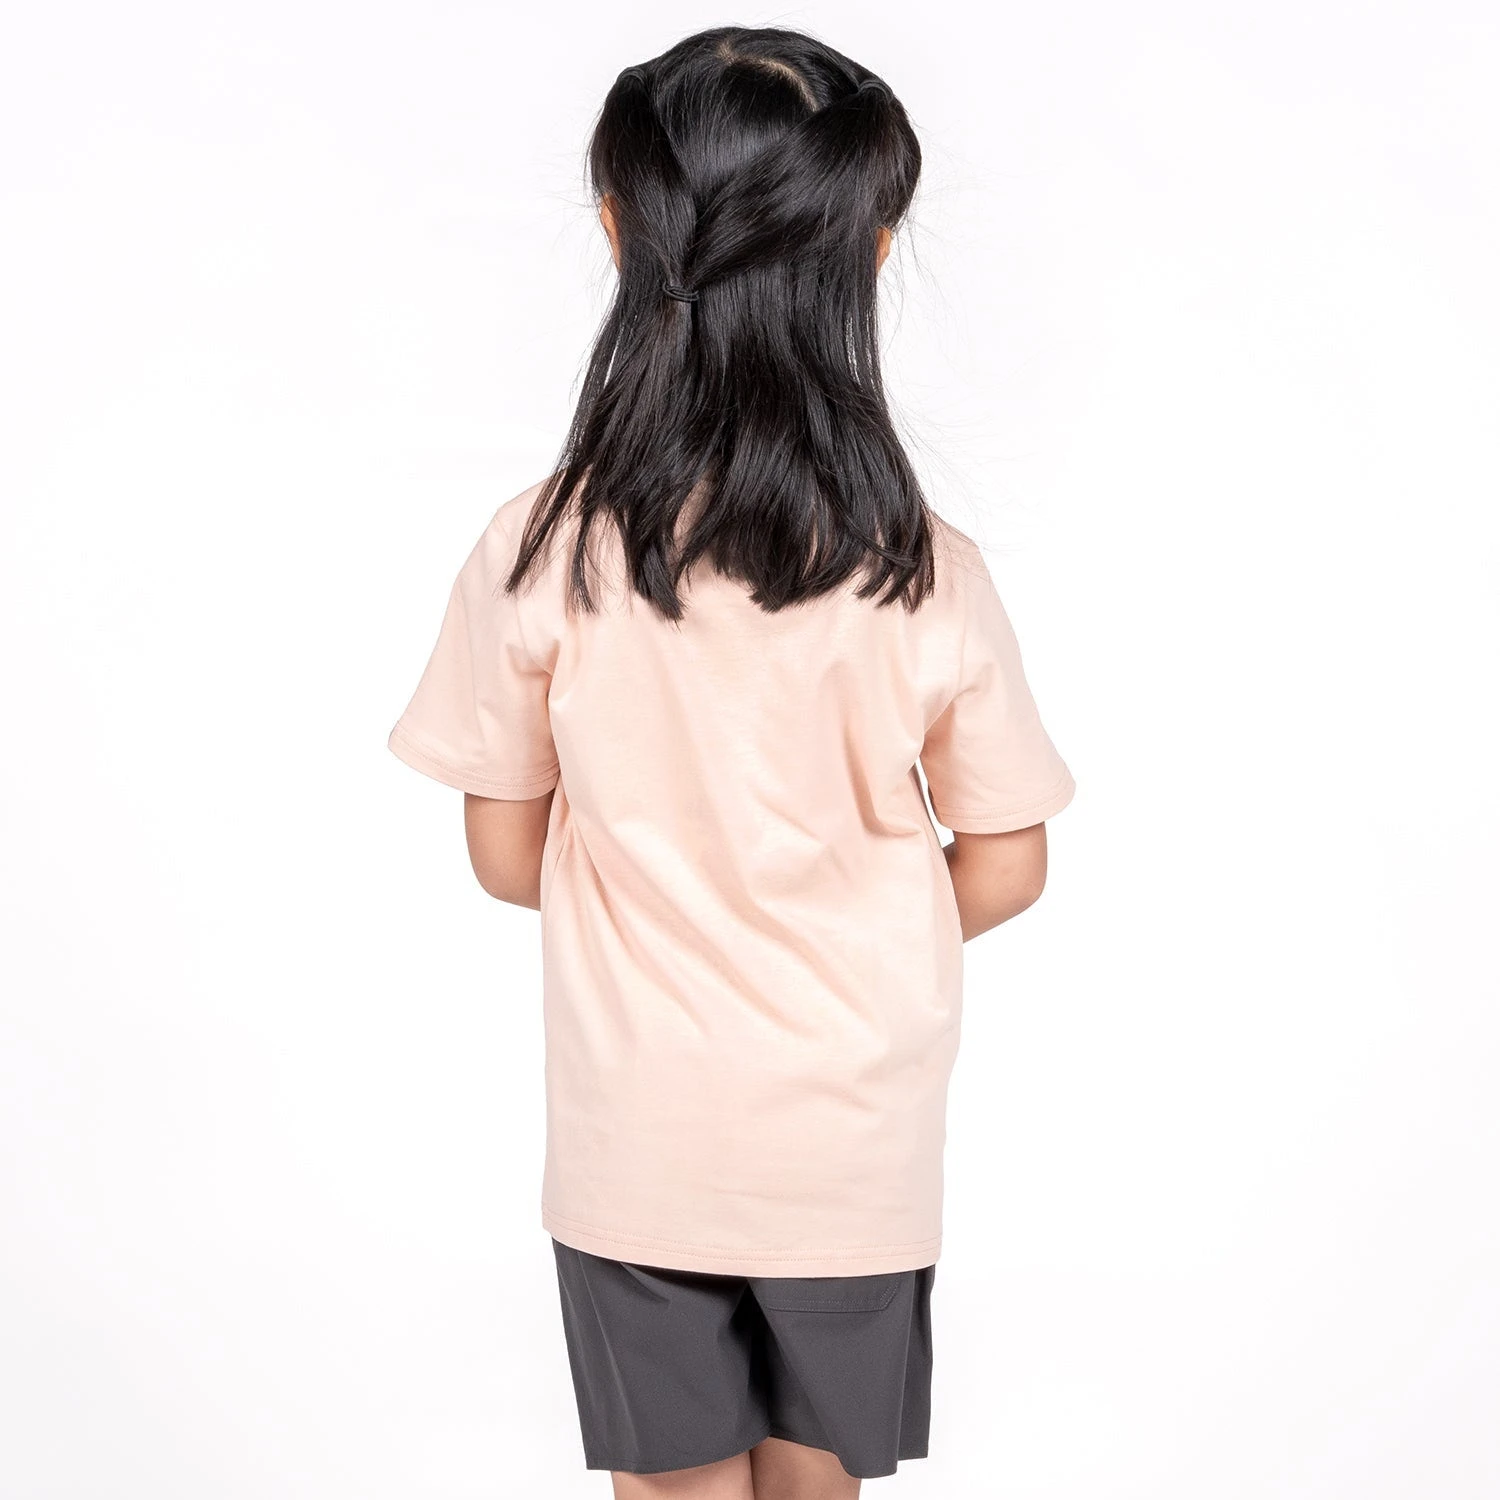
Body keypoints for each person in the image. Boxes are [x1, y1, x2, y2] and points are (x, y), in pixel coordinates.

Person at [387, 25, 1075, 1500]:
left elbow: (504, 857)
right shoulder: (924, 569)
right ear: (871, 251)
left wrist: (670, 906)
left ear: (619, 230)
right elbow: (1009, 861)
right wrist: (857, 925)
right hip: (855, 1141)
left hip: (639, 1135)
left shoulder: (539, 548)